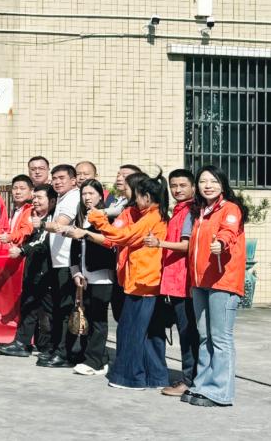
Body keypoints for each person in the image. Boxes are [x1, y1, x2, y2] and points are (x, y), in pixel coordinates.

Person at [88, 173, 168, 391]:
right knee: (146, 334)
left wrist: (99, 220)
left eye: (137, 195)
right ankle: (155, 377)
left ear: (147, 197)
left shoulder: (151, 217)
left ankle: (131, 377)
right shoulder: (151, 215)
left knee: (131, 332)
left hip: (143, 282)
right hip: (142, 281)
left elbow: (124, 236)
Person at [184, 166, 247, 407]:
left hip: (223, 281)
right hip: (201, 282)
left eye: (213, 181)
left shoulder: (230, 208)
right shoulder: (201, 212)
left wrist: (221, 243)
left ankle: (221, 392)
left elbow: (228, 231)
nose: (208, 185)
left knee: (220, 338)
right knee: (204, 337)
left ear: (222, 184)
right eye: (203, 181)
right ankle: (202, 384)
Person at [62, 179, 118, 376]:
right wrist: (75, 271)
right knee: (88, 317)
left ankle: (95, 361)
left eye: (91, 194)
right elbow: (74, 246)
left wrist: (86, 233)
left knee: (98, 320)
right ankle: (95, 358)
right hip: (84, 275)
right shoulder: (82, 216)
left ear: (100, 196)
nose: (87, 197)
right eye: (84, 194)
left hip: (102, 276)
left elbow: (110, 242)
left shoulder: (107, 217)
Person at [152, 169, 200, 397]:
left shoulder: (190, 211)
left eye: (182, 185)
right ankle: (189, 377)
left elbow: (187, 245)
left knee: (188, 334)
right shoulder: (179, 211)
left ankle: (189, 380)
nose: (177, 190)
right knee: (185, 333)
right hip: (175, 281)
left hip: (185, 283)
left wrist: (159, 243)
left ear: (193, 187)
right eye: (174, 185)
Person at [0, 184, 58, 359]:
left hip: (46, 272)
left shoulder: (52, 219)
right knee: (29, 306)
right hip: (33, 270)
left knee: (48, 310)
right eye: (35, 197)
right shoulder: (33, 216)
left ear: (52, 201)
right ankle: (22, 343)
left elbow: (42, 243)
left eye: (40, 198)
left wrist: (22, 250)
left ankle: (52, 348)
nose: (35, 201)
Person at [38, 164, 82, 368]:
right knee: (58, 309)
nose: (57, 182)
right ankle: (58, 349)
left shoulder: (73, 198)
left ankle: (65, 354)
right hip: (58, 262)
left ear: (73, 180)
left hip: (67, 263)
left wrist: (40, 224)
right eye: (54, 178)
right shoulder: (63, 197)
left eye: (62, 178)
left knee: (65, 310)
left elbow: (61, 224)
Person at [0, 175, 36, 250]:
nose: (18, 192)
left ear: (31, 191)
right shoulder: (16, 209)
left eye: (22, 188)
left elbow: (26, 231)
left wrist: (11, 237)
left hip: (23, 252)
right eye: (15, 188)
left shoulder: (31, 210)